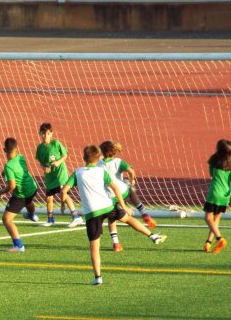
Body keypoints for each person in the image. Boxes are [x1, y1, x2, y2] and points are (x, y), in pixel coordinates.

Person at [62, 144, 167, 286]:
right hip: (108, 205)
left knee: (94, 246)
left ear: (83, 158)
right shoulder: (101, 172)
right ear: (97, 158)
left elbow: (64, 191)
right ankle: (152, 235)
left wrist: (64, 205)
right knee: (128, 219)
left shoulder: (77, 172)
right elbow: (115, 188)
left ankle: (98, 278)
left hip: (92, 213)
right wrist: (124, 207)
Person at [98, 140, 157, 252]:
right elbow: (130, 170)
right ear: (114, 152)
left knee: (112, 219)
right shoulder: (117, 161)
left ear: (102, 152)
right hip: (122, 191)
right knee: (131, 190)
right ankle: (144, 214)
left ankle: (116, 244)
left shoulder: (99, 164)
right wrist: (132, 180)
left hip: (110, 197)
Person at [35, 122, 83, 228]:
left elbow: (65, 155)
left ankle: (76, 217)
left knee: (64, 194)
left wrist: (58, 162)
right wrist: (44, 168)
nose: (45, 136)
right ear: (40, 134)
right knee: (49, 198)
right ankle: (50, 219)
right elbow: (40, 161)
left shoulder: (56, 143)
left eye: (47, 134)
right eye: (42, 134)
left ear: (51, 133)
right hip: (50, 176)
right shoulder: (40, 148)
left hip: (60, 173)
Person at [0, 138, 39, 252]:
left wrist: (2, 191)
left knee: (6, 219)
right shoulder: (21, 157)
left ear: (4, 149)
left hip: (21, 194)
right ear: (17, 149)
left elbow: (12, 186)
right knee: (28, 201)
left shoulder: (9, 167)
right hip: (33, 188)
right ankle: (31, 215)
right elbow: (22, 170)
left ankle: (18, 246)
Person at [203, 139, 231, 253]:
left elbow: (211, 173)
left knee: (208, 218)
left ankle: (220, 239)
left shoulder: (214, 160)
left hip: (214, 194)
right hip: (226, 196)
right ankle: (208, 242)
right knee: (216, 219)